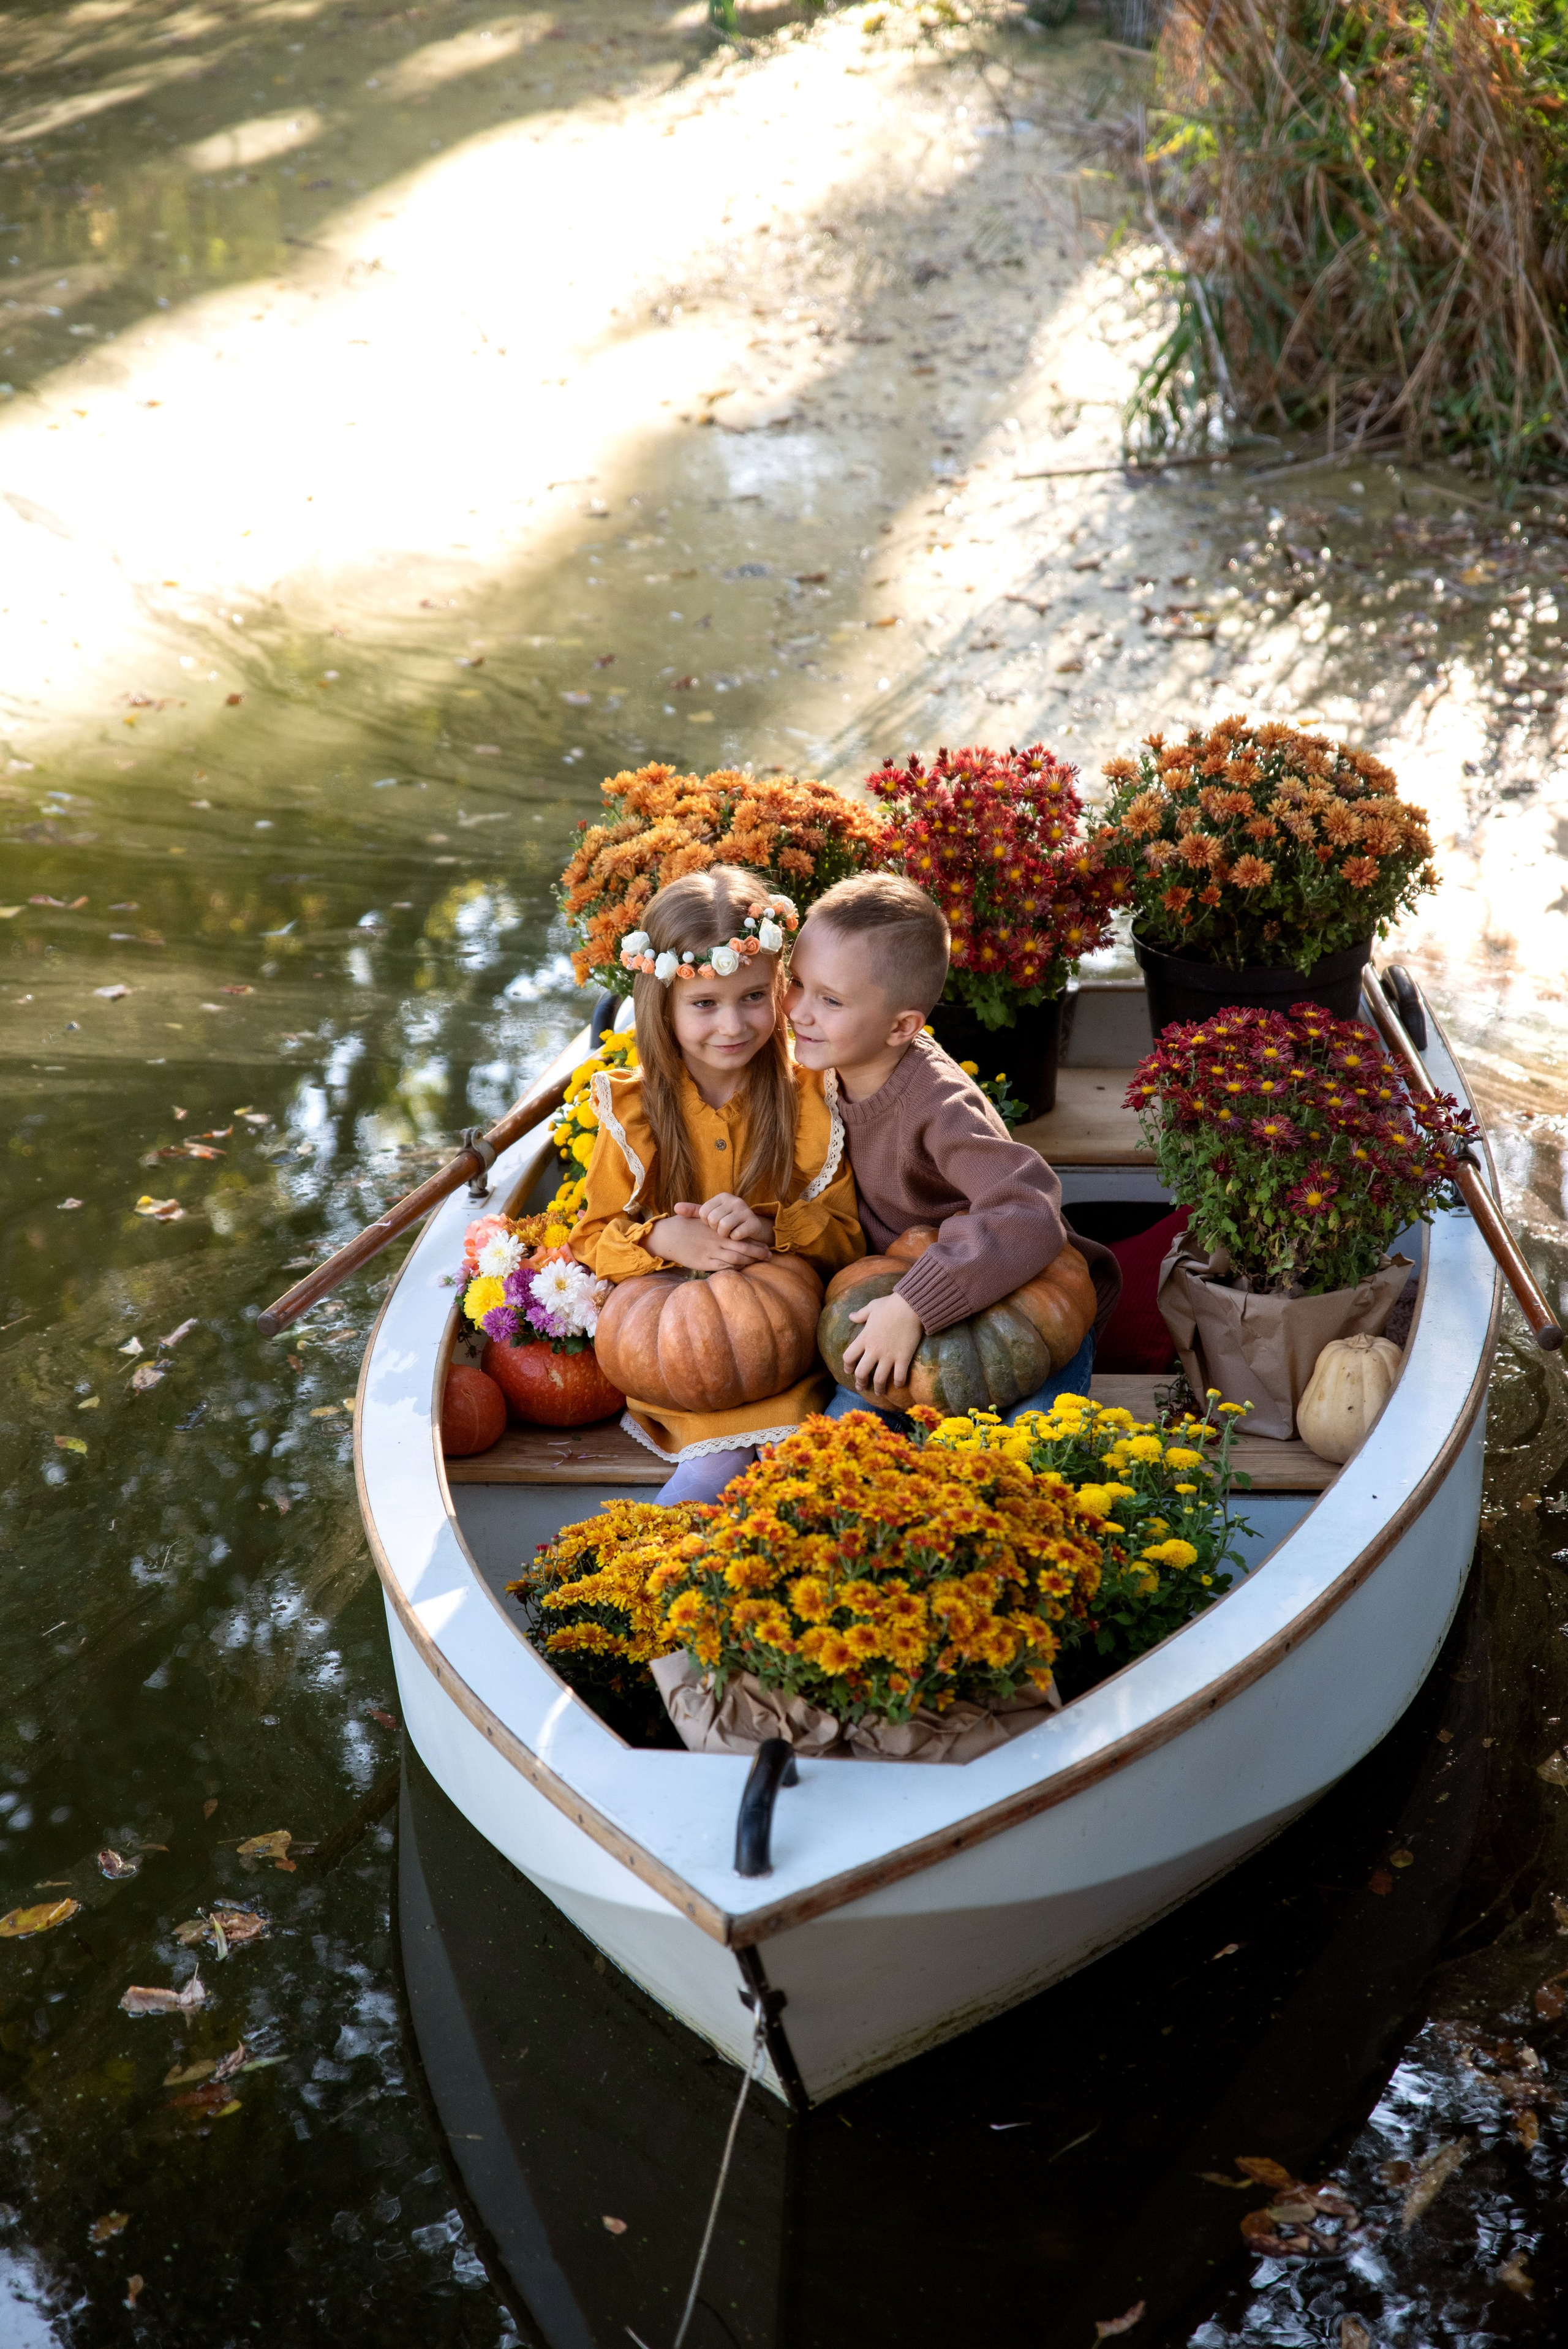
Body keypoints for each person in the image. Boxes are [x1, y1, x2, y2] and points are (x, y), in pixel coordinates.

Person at [571, 865, 864, 1504]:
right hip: (681, 1352)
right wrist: (663, 1237)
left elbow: (849, 1237)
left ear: (779, 986)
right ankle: (657, 1583)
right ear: (664, 1005)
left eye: (753, 997)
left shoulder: (811, 1094)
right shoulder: (635, 1110)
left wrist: (769, 1227)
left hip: (792, 1344)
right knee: (712, 1471)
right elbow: (591, 1238)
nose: (732, 1026)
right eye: (704, 1004)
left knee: (806, 1468)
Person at [784, 871, 1121, 1418]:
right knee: (844, 1431)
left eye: (830, 999)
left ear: (901, 1027)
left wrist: (916, 1303)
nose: (799, 1010)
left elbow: (1029, 1208)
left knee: (1023, 1440)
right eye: (796, 981)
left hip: (1016, 1297)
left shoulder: (938, 1104)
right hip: (895, 1295)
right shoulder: (821, 1064)